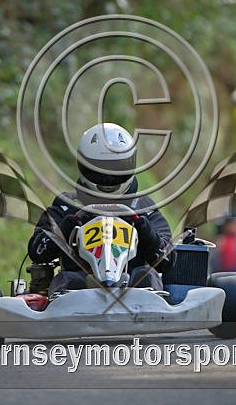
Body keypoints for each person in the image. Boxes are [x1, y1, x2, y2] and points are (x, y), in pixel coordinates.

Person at [27, 123, 174, 295]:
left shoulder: (143, 208)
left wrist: (144, 230)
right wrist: (64, 229)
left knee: (146, 275)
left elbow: (168, 260)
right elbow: (37, 252)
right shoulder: (67, 205)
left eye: (116, 169)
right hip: (78, 290)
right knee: (66, 280)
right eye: (99, 169)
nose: (108, 176)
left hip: (136, 289)